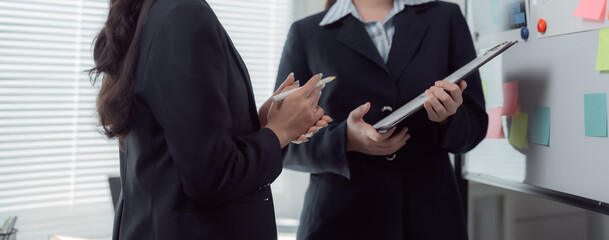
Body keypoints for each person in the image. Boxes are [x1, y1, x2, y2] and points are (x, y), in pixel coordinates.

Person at [89, 0, 330, 239]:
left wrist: (262, 124)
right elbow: (213, 177)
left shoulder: (160, 12)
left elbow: (185, 143)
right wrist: (278, 132)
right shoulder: (183, 14)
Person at [275, 0, 488, 239]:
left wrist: (447, 119)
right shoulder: (306, 33)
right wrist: (345, 139)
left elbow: (476, 126)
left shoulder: (446, 18)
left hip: (430, 219)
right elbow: (282, 144)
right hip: (338, 222)